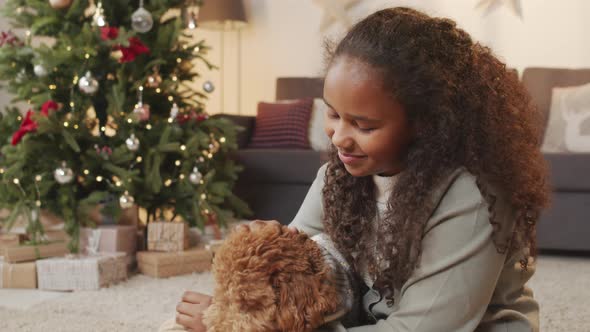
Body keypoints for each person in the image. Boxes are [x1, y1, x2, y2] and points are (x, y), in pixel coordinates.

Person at [168, 7, 549, 332]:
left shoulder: (472, 195)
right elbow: (292, 261)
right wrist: (237, 310)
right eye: (332, 114)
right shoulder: (343, 172)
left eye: (364, 126)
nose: (338, 138)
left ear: (429, 123)